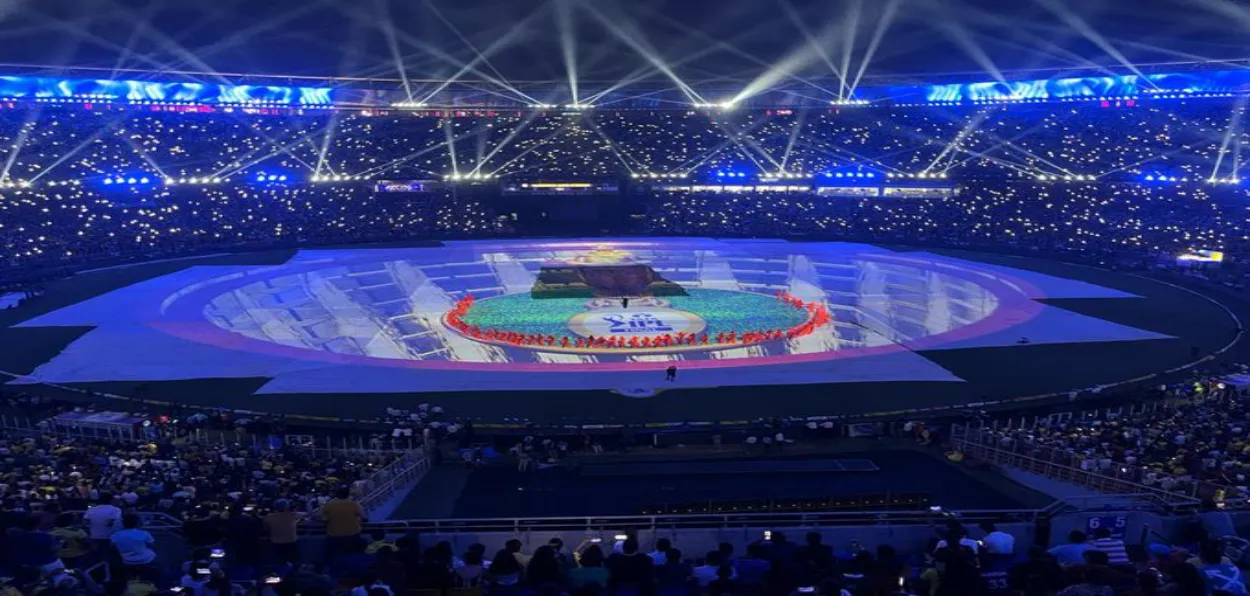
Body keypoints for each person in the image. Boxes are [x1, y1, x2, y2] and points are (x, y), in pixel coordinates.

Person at [6, 515, 62, 583]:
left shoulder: (10, 533)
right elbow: (55, 551)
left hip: (14, 562)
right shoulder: (47, 538)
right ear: (37, 524)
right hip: (38, 563)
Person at [321, 487, 365, 561]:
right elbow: (364, 517)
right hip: (352, 534)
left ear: (336, 495)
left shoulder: (328, 505)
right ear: (348, 494)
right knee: (353, 555)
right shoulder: (355, 505)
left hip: (333, 535)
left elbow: (324, 520)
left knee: (330, 555)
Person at [263, 499, 301, 564]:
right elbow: (308, 515)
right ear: (288, 506)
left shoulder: (269, 517)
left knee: (278, 562)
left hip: (276, 543)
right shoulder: (294, 515)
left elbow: (265, 529)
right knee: (293, 561)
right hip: (291, 541)